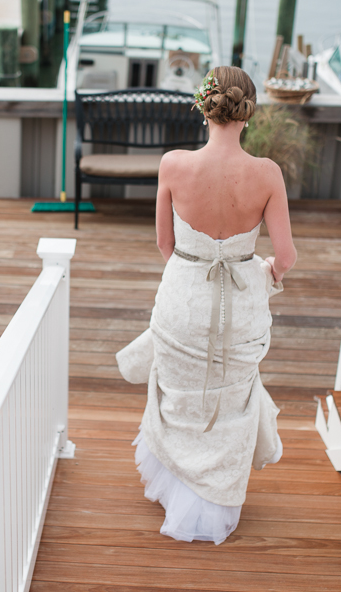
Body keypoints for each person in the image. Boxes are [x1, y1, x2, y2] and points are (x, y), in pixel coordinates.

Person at [115, 66, 297, 545]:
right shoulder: (267, 174)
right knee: (229, 398)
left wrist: (196, 268)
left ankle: (175, 485)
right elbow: (287, 257)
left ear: (204, 106)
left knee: (178, 392)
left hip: (183, 299)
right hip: (241, 303)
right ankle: (213, 497)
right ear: (247, 112)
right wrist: (265, 275)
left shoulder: (174, 164)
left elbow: (164, 243)